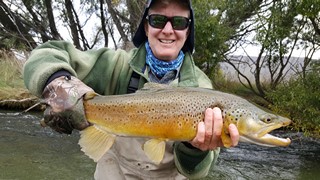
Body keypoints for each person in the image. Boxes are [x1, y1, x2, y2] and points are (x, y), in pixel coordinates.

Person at [23, 0, 239, 179]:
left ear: (188, 30)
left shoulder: (202, 90)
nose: (167, 30)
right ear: (146, 27)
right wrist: (63, 91)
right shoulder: (114, 65)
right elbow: (46, 54)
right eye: (158, 20)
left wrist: (195, 150)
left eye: (179, 22)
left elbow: (195, 172)